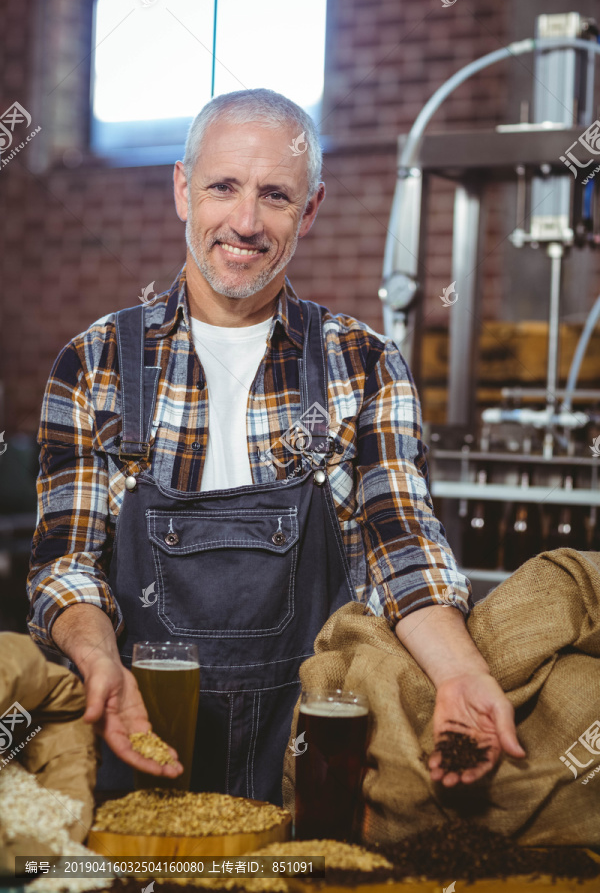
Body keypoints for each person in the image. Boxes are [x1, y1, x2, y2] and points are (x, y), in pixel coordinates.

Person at [26, 89, 525, 804]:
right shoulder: (95, 362)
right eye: (223, 186)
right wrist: (97, 659)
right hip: (135, 742)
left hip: (316, 762)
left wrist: (460, 674)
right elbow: (64, 568)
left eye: (276, 195)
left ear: (311, 209)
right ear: (181, 189)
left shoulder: (365, 364)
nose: (246, 222)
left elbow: (404, 554)